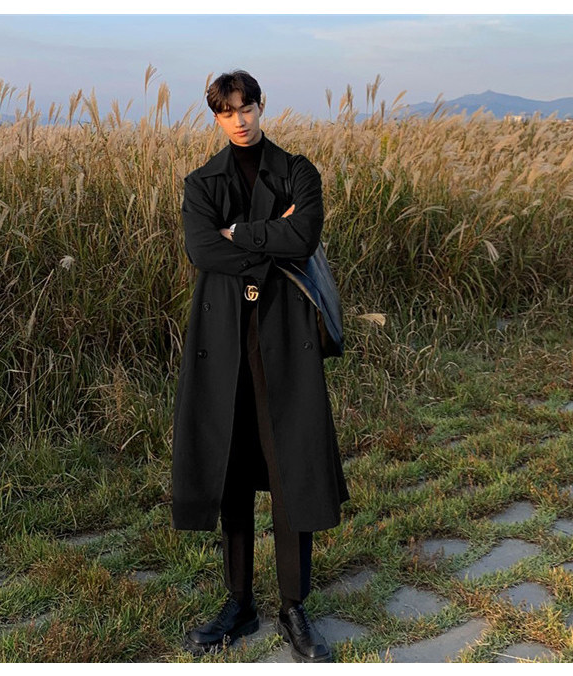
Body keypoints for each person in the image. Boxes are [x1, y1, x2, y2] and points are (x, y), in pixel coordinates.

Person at [171, 70, 350, 663]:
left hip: (286, 338)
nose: (240, 120)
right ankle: (239, 603)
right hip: (224, 342)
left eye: (246, 108)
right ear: (216, 117)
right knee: (231, 468)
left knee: (292, 465)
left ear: (260, 107)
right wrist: (271, 236)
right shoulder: (202, 181)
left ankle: (294, 606)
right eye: (227, 112)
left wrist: (239, 234)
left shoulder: (298, 171)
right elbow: (201, 249)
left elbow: (305, 236)